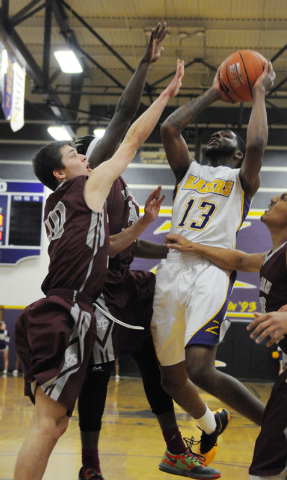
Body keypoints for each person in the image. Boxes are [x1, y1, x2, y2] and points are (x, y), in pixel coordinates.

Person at [13, 59, 184, 480]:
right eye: (75, 155)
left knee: (53, 424)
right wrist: (165, 94)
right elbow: (132, 136)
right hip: (67, 310)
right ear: (61, 172)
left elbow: (107, 247)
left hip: (62, 310)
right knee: (49, 425)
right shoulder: (82, 187)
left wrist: (144, 222)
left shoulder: (65, 205)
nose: (85, 158)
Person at [75, 25, 220, 479]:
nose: (106, 150)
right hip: (96, 292)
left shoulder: (117, 186)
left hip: (126, 285)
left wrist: (177, 251)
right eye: (90, 152)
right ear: (85, 158)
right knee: (97, 378)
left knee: (157, 367)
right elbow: (122, 115)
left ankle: (176, 450)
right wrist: (145, 63)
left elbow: (130, 243)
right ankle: (90, 466)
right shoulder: (92, 176)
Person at [150, 59, 276, 467]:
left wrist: (257, 92)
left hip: (210, 271)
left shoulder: (242, 180)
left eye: (229, 134)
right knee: (173, 379)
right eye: (216, 131)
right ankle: (209, 424)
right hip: (172, 269)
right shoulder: (188, 171)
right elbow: (170, 128)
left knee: (200, 369)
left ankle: (276, 427)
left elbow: (257, 146)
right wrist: (214, 92)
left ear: (237, 153)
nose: (220, 131)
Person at [165, 187, 287, 480]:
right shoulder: (276, 255)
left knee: (267, 467)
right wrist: (194, 247)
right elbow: (238, 260)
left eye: (283, 199)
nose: (273, 198)